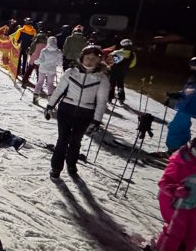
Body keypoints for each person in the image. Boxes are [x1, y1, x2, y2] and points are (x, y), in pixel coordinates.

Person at [47, 45, 110, 180]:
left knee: (76, 141)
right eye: (87, 57)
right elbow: (59, 90)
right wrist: (50, 105)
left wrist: (97, 120)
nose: (90, 61)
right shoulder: (71, 72)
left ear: (99, 61)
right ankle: (56, 168)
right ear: (82, 58)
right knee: (62, 140)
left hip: (85, 114)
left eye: (94, 59)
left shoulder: (102, 78)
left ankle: (71, 164)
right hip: (66, 110)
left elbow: (101, 101)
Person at [163, 56, 196, 154]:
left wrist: (184, 95)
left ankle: (173, 150)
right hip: (186, 106)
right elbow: (188, 91)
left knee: (175, 127)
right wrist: (177, 95)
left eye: (193, 66)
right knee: (183, 128)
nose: (191, 68)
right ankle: (183, 149)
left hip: (189, 107)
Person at [104, 38, 137, 104]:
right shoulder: (133, 54)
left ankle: (109, 98)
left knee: (112, 84)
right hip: (124, 71)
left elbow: (109, 60)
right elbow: (132, 64)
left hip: (113, 70)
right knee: (120, 84)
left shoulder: (117, 52)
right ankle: (121, 98)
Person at [32, 36, 62, 105]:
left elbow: (41, 60)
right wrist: (55, 63)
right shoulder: (58, 52)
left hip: (42, 69)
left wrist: (35, 62)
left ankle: (35, 95)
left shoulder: (44, 50)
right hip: (52, 70)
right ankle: (50, 98)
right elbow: (60, 63)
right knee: (50, 84)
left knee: (40, 82)